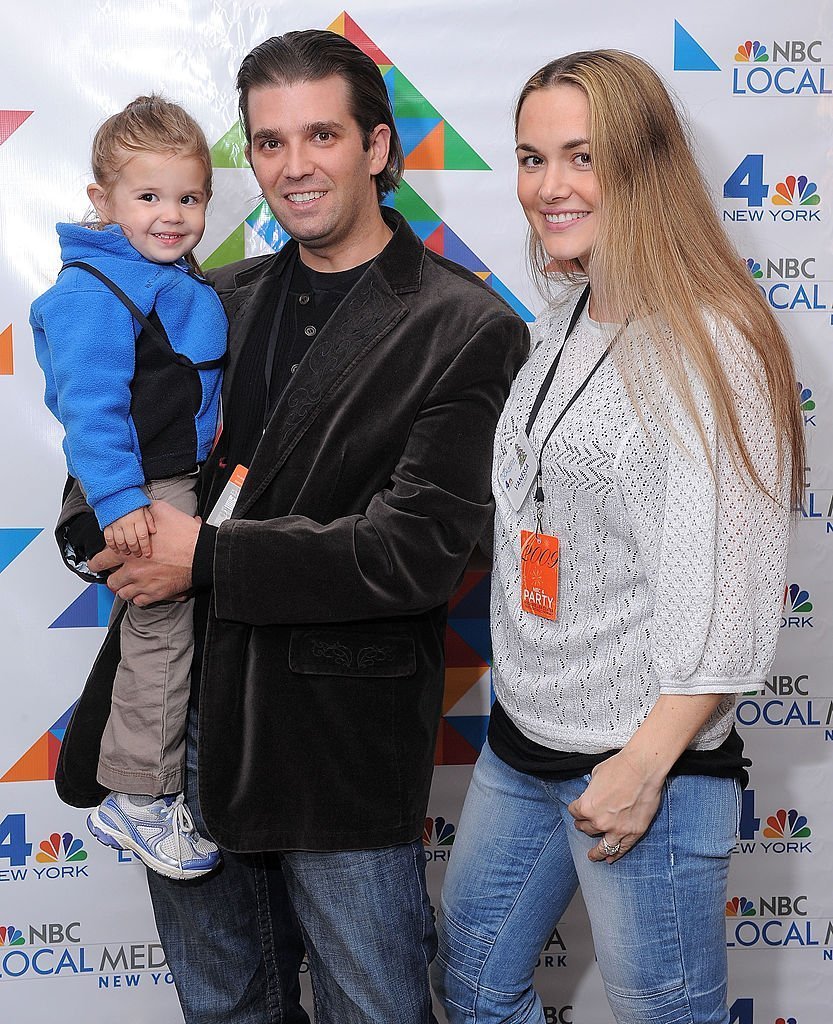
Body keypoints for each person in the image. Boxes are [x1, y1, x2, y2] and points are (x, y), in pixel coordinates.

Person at [55, 29, 528, 1024]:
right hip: (182, 744)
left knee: (374, 1008)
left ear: (378, 148)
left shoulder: (463, 326)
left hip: (335, 748)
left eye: (320, 134)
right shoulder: (211, 295)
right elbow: (111, 462)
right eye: (269, 142)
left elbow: (419, 553)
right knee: (225, 1008)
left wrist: (207, 556)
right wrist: (103, 540)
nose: (293, 165)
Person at [432, 50, 804, 1024]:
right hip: (525, 735)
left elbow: (728, 592)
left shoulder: (710, 342)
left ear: (643, 167)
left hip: (645, 761)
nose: (545, 186)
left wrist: (639, 769)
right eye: (527, 157)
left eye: (578, 156)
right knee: (473, 984)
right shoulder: (567, 312)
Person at [32, 96, 227, 880]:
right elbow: (90, 408)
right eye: (149, 197)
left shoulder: (167, 274)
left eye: (190, 197)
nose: (172, 215)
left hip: (186, 477)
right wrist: (118, 503)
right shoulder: (94, 291)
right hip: (144, 485)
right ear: (102, 202)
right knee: (162, 629)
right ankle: (138, 796)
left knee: (176, 629)